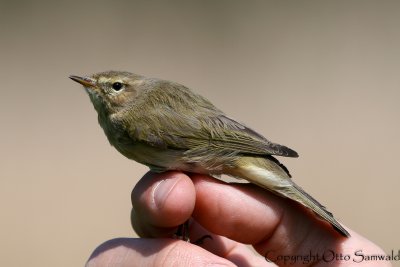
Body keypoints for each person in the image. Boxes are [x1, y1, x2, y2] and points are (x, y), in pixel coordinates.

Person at [86, 171, 391, 267]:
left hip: (224, 150)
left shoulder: (130, 121)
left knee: (182, 194)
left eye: (115, 86)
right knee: (178, 197)